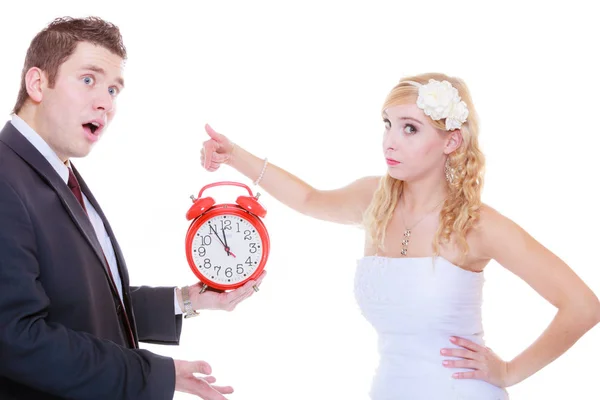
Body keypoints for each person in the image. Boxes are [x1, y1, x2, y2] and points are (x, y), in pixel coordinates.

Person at [201, 73, 600, 399]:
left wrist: (510, 371)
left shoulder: (476, 224)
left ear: (452, 141)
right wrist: (234, 155)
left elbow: (583, 306)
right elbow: (308, 199)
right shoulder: (374, 200)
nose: (390, 140)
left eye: (410, 128)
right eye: (388, 124)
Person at [0, 16, 265, 400]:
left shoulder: (56, 170)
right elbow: (17, 339)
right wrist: (157, 373)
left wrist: (189, 299)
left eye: (113, 89)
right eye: (88, 80)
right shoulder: (6, 178)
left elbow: (82, 309)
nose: (105, 102)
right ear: (38, 83)